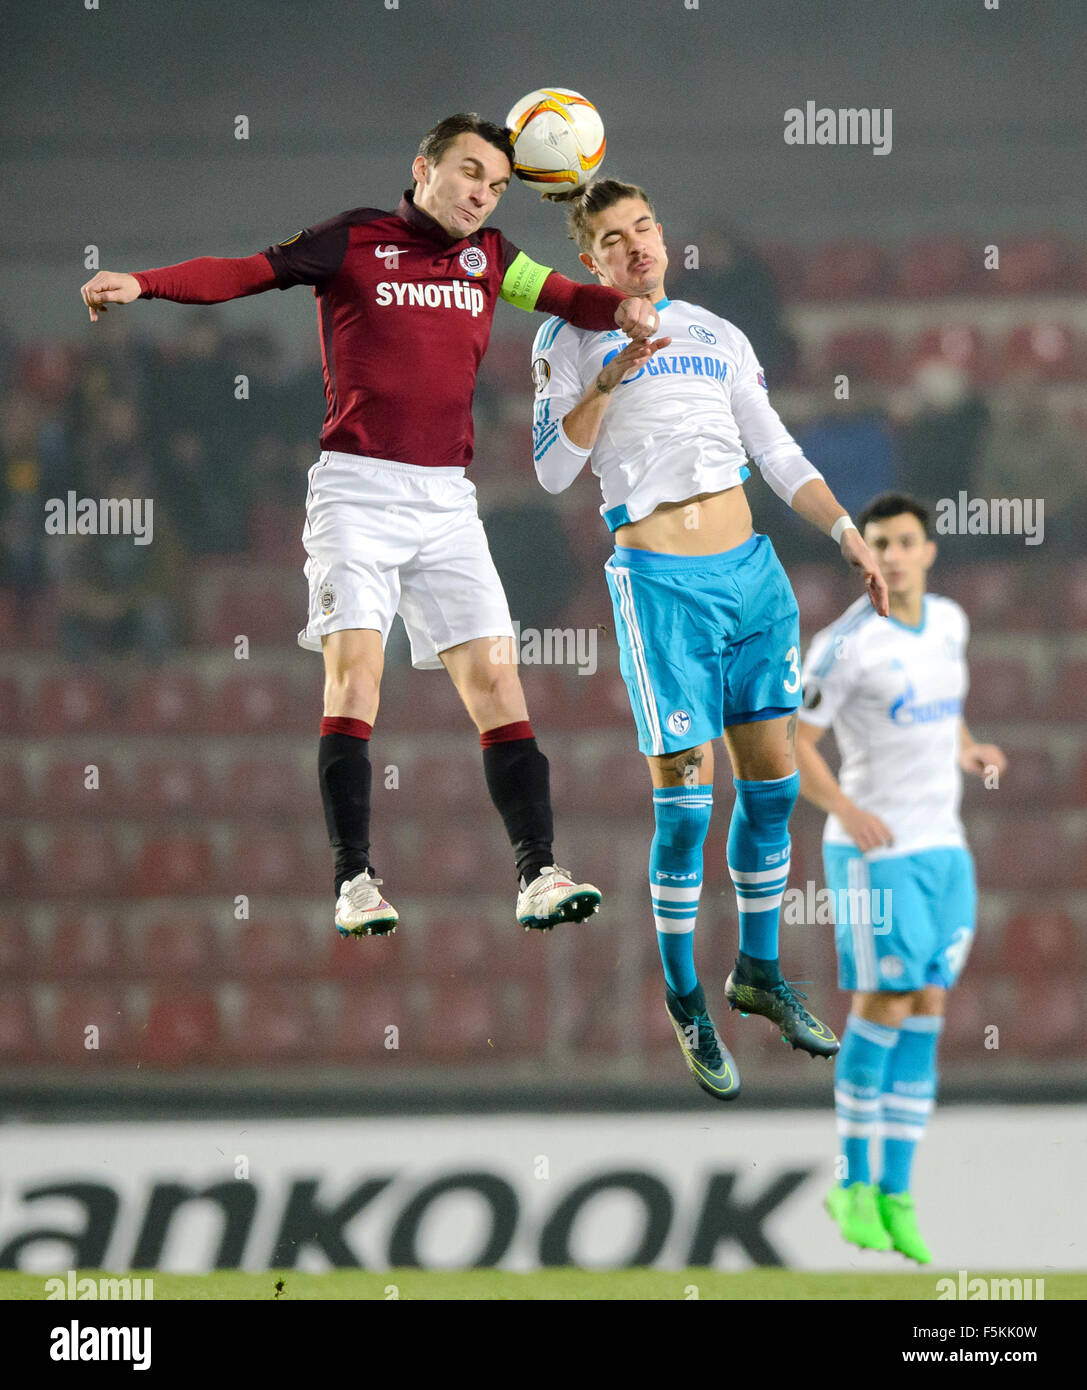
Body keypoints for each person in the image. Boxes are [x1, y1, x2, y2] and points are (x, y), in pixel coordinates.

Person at [79, 114, 660, 938]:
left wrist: (623, 309)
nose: (481, 195)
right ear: (423, 166)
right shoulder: (352, 240)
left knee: (499, 685)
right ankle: (354, 879)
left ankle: (537, 872)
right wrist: (144, 283)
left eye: (496, 185)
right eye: (468, 174)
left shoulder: (489, 257)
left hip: (447, 501)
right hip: (356, 491)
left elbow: (571, 297)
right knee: (356, 680)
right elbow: (244, 272)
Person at [530, 178, 888, 1100]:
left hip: (751, 577)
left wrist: (846, 532)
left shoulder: (716, 333)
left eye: (644, 227)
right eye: (613, 238)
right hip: (660, 588)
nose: (637, 245)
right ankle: (686, 995)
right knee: (686, 803)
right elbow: (552, 468)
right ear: (589, 261)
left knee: (772, 789)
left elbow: (774, 453)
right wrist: (610, 373)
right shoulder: (568, 339)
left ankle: (757, 973)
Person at [795, 493, 1006, 1261]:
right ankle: (850, 1182)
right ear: (864, 556)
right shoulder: (842, 645)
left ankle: (896, 1192)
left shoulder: (948, 623)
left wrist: (969, 747)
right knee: (881, 1001)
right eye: (874, 542)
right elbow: (795, 743)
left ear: (927, 551)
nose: (887, 554)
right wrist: (845, 811)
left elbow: (939, 708)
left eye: (902, 541)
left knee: (928, 1003)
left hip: (942, 848)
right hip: (875, 851)